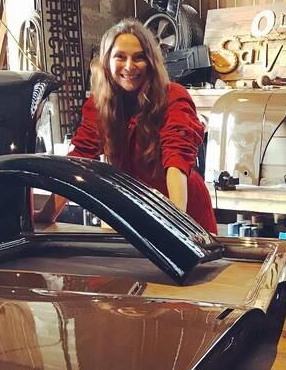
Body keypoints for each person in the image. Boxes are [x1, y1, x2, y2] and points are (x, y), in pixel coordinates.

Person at [37, 18, 217, 233]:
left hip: (182, 208)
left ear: (151, 62)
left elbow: (176, 161)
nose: (130, 66)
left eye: (139, 57)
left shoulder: (172, 96)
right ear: (106, 61)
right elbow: (79, 160)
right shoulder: (99, 104)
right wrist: (47, 216)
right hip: (135, 207)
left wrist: (176, 223)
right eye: (120, 57)